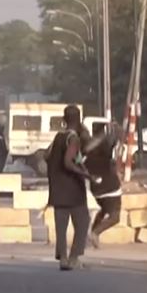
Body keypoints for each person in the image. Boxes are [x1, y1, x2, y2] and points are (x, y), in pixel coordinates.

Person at [46, 105, 92, 270]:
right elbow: (68, 162)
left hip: (57, 191)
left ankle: (63, 259)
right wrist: (85, 174)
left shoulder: (59, 137)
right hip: (73, 191)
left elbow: (46, 155)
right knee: (83, 222)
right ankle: (74, 257)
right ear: (79, 120)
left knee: (61, 227)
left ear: (64, 120)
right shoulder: (73, 139)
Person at [86, 122, 122, 248]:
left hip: (96, 189)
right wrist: (114, 134)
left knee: (104, 209)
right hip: (110, 188)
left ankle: (93, 233)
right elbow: (111, 143)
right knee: (115, 216)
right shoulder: (103, 150)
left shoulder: (86, 150)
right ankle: (95, 233)